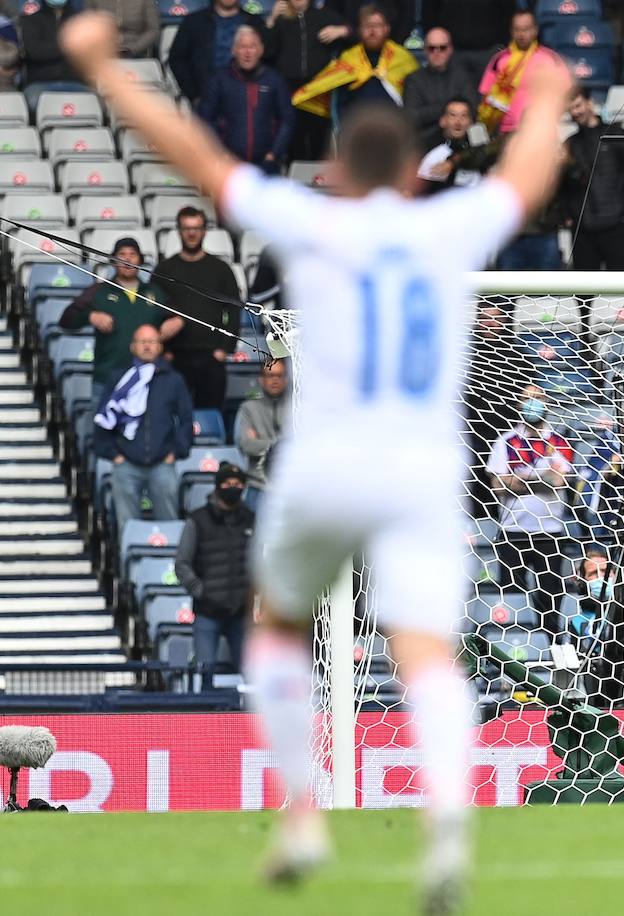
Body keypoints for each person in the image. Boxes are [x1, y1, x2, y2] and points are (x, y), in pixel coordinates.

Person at [61, 10, 567, 908]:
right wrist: (550, 96)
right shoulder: (450, 227)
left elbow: (199, 156)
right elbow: (530, 172)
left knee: (278, 625)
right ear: (415, 175)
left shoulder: (312, 221)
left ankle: (302, 811)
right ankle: (447, 824)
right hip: (420, 470)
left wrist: (106, 69)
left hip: (324, 464)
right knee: (427, 655)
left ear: (337, 175)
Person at [486, 384, 576, 640]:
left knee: (549, 597)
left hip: (549, 531)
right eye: (527, 399)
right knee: (512, 597)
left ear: (546, 402)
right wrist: (540, 478)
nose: (532, 403)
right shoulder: (505, 441)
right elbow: (497, 485)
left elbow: (559, 480)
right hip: (512, 530)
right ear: (518, 405)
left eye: (537, 398)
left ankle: (549, 647)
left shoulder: (558, 441)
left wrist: (519, 479)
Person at [91, 324, 194, 534]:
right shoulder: (119, 378)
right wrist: (113, 454)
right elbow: (102, 417)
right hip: (125, 464)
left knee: (170, 526)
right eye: (142, 341)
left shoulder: (173, 379)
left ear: (160, 347)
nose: (147, 346)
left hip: (162, 463)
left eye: (152, 341)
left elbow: (186, 419)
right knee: (127, 529)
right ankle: (128, 568)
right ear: (133, 347)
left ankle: (168, 567)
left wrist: (176, 452)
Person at [152, 206, 243, 410]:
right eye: (186, 228)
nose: (192, 233)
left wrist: (224, 349)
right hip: (174, 358)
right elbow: (153, 311)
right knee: (173, 414)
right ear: (179, 232)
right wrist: (163, 350)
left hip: (211, 357)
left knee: (211, 414)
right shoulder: (164, 269)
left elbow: (234, 310)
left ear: (204, 231)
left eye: (196, 228)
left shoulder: (221, 269)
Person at [175, 461, 255, 687]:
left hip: (241, 612)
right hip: (207, 611)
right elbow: (182, 563)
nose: (233, 487)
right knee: (205, 673)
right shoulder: (197, 520)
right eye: (228, 483)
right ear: (218, 485)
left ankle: (250, 720)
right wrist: (201, 591)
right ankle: (205, 718)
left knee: (251, 675)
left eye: (238, 483)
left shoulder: (251, 519)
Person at [58, 237, 170, 392]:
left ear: (140, 260)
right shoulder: (98, 291)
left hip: (148, 380)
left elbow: (176, 319)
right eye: (122, 254)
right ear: (113, 260)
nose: (127, 259)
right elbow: (66, 320)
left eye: (133, 254)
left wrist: (172, 325)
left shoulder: (155, 292)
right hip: (107, 379)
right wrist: (91, 316)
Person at [559, 85, 624, 272]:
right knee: (582, 295)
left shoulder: (621, 136)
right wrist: (568, 215)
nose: (575, 112)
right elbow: (562, 186)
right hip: (582, 230)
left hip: (616, 227)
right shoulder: (569, 143)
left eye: (578, 106)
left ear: (591, 103)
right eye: (570, 109)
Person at [291, 6, 418, 126]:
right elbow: (338, 103)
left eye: (377, 26)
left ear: (386, 28)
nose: (372, 31)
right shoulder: (348, 58)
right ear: (360, 30)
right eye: (368, 26)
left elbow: (415, 101)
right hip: (357, 130)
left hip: (395, 129)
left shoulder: (403, 58)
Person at [198, 26, 294, 173]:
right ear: (233, 50)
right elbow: (206, 119)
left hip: (267, 165)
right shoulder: (218, 80)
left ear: (261, 50)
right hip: (228, 165)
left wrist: (274, 153)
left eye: (252, 47)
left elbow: (287, 119)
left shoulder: (275, 80)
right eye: (242, 47)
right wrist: (221, 153)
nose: (247, 52)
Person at [265, 0, 350, 161]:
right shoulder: (281, 19)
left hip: (317, 88)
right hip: (288, 89)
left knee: (319, 142)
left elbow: (356, 33)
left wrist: (343, 30)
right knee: (292, 142)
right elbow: (266, 52)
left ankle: (317, 182)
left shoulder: (325, 15)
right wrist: (271, 20)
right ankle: (293, 182)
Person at [167, 0, 269, 106]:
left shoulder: (255, 23)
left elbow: (268, 60)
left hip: (248, 101)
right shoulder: (194, 21)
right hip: (205, 99)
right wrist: (194, 94)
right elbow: (177, 59)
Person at [477, 9, 561, 136]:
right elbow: (485, 95)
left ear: (535, 30)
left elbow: (565, 93)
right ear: (511, 31)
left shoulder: (550, 59)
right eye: (517, 29)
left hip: (540, 130)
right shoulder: (499, 59)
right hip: (505, 132)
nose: (521, 34)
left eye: (526, 29)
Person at [235, 359, 291, 509]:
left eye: (279, 376)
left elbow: (303, 446)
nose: (275, 380)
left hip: (291, 487)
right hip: (258, 487)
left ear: (286, 379)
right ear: (261, 379)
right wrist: (282, 445)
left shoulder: (297, 408)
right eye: (270, 375)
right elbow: (247, 445)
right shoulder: (248, 408)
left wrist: (260, 441)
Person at [404, 27, 473, 149]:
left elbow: (472, 111)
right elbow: (412, 117)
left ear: (450, 49)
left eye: (442, 48)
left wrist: (442, 113)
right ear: (425, 50)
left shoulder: (463, 77)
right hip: (424, 144)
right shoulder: (414, 80)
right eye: (432, 48)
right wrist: (446, 110)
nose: (437, 52)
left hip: (461, 145)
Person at [417, 97, 496, 191]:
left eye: (464, 116)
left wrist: (453, 162)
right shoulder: (431, 151)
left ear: (471, 122)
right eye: (453, 115)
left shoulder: (480, 147)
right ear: (443, 121)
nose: (458, 122)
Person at [18, 0, 86, 109]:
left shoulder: (81, 21)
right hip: (40, 83)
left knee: (96, 103)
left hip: (75, 81)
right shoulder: (31, 20)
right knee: (32, 102)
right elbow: (35, 52)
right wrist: (68, 46)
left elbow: (85, 52)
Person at [84, 0, 160, 59]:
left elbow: (153, 30)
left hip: (136, 54)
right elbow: (88, 27)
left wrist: (133, 49)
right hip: (103, 53)